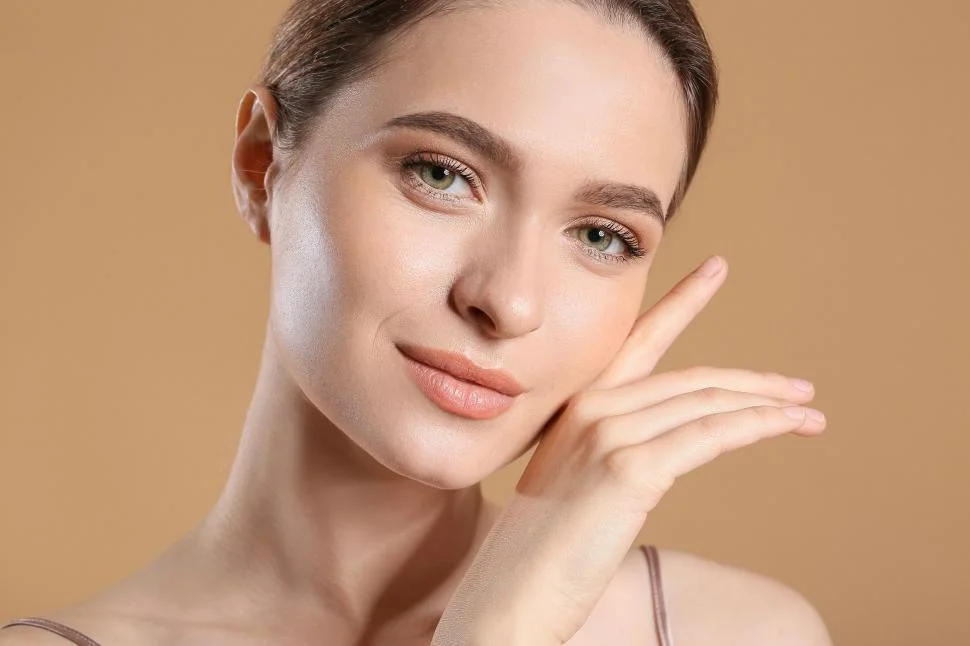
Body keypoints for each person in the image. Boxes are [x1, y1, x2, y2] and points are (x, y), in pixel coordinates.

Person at [1, 0, 833, 644]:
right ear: (263, 165)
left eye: (601, 236)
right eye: (442, 174)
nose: (507, 302)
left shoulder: (730, 632)